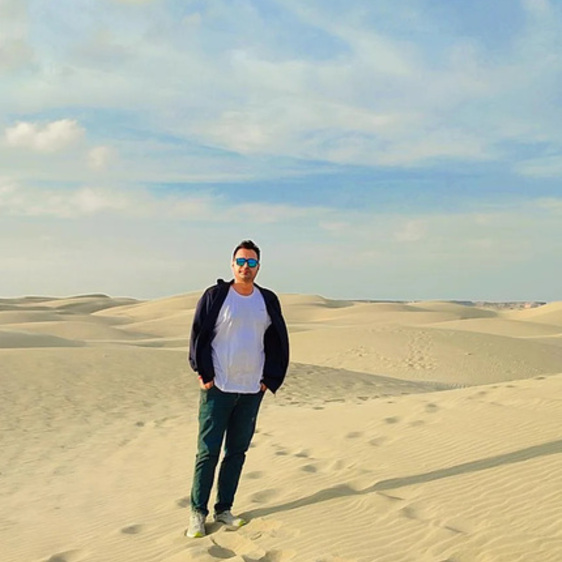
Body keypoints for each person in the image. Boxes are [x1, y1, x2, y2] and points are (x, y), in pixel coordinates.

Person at [186, 240, 290, 538]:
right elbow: (198, 334)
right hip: (218, 386)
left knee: (237, 452)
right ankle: (197, 513)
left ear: (259, 267)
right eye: (241, 261)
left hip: (251, 389)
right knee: (208, 452)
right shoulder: (216, 295)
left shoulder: (267, 299)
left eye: (252, 262)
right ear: (232, 265)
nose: (246, 267)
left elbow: (277, 339)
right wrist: (203, 372)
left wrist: (269, 378)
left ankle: (224, 509)